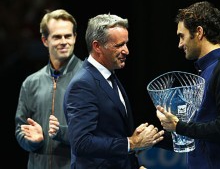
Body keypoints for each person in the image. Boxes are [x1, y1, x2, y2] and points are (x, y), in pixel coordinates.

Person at [155, 1, 220, 169]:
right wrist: (154, 138)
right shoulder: (206, 71)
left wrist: (180, 126)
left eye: (181, 36)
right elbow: (198, 137)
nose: (179, 44)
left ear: (199, 32)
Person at [63, 14, 164, 169]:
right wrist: (131, 143)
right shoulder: (83, 84)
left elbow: (112, 132)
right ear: (97, 46)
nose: (127, 51)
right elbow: (81, 143)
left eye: (126, 44)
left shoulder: (109, 76)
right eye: (119, 45)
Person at [15, 9, 83, 169]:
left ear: (75, 37)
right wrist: (31, 141)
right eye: (57, 37)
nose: (64, 41)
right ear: (45, 40)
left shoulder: (89, 79)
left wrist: (62, 133)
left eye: (68, 36)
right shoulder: (31, 82)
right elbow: (20, 127)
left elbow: (99, 132)